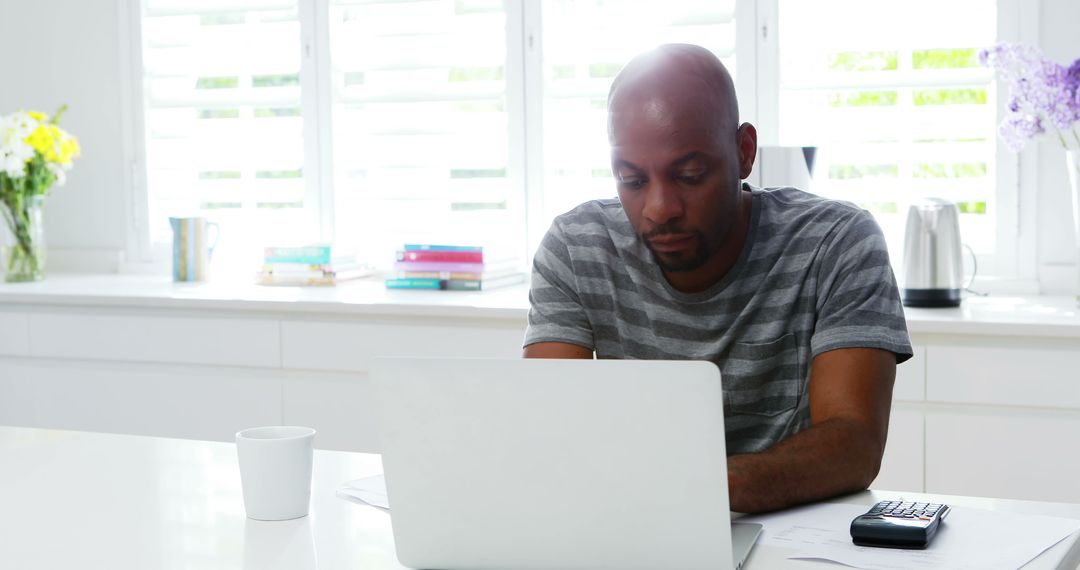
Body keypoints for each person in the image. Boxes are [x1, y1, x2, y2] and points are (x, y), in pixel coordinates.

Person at [522, 43, 913, 514]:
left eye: (688, 175)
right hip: (634, 526)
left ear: (744, 151)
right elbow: (551, 429)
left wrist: (700, 489)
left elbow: (855, 443)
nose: (660, 208)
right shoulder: (575, 246)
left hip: (793, 533)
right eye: (632, 180)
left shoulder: (837, 242)